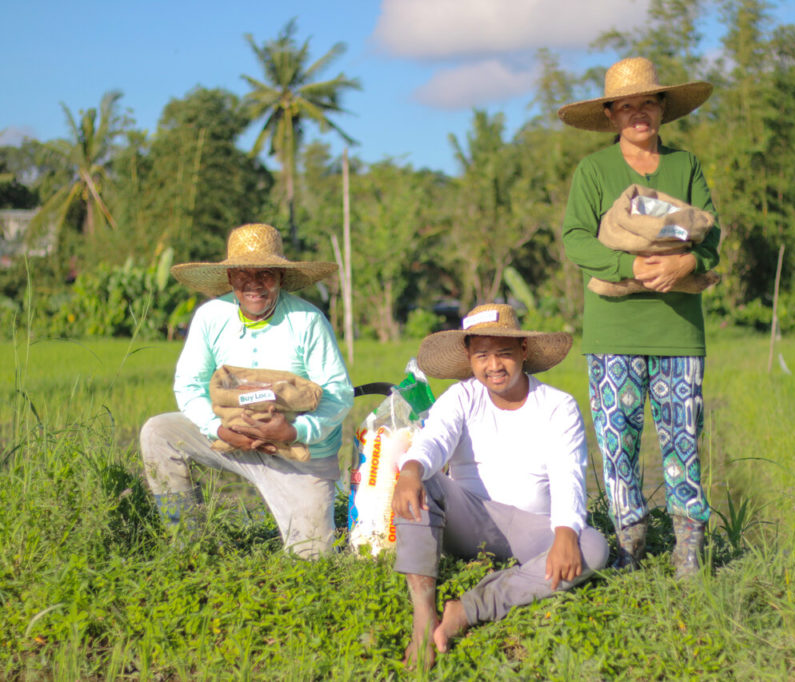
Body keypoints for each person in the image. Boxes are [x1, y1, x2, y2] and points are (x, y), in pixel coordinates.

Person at [557, 56, 721, 577]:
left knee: (681, 441)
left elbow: (711, 235)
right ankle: (629, 544)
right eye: (625, 107)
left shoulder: (685, 165)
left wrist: (685, 262)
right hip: (613, 331)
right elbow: (576, 237)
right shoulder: (595, 171)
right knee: (617, 442)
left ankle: (688, 549)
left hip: (678, 330)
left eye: (646, 103)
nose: (637, 114)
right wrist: (629, 263)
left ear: (662, 109)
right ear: (610, 116)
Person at [392, 303, 608, 668]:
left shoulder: (558, 407)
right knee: (423, 479)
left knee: (594, 547)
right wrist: (410, 469)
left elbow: (568, 473)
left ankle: (470, 608)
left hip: (532, 528)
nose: (494, 366)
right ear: (469, 357)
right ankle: (423, 616)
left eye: (504, 354)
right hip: (471, 520)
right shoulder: (462, 397)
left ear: (524, 352)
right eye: (482, 355)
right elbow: (434, 440)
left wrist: (567, 532)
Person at [139, 223, 354, 559]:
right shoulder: (211, 317)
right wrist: (217, 428)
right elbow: (188, 384)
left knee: (314, 559)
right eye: (243, 273)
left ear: (281, 278)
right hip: (231, 439)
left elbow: (339, 393)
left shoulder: (308, 321)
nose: (254, 282)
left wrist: (295, 430)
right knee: (158, 432)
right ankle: (190, 545)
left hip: (299, 454)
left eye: (266, 273)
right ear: (230, 278)